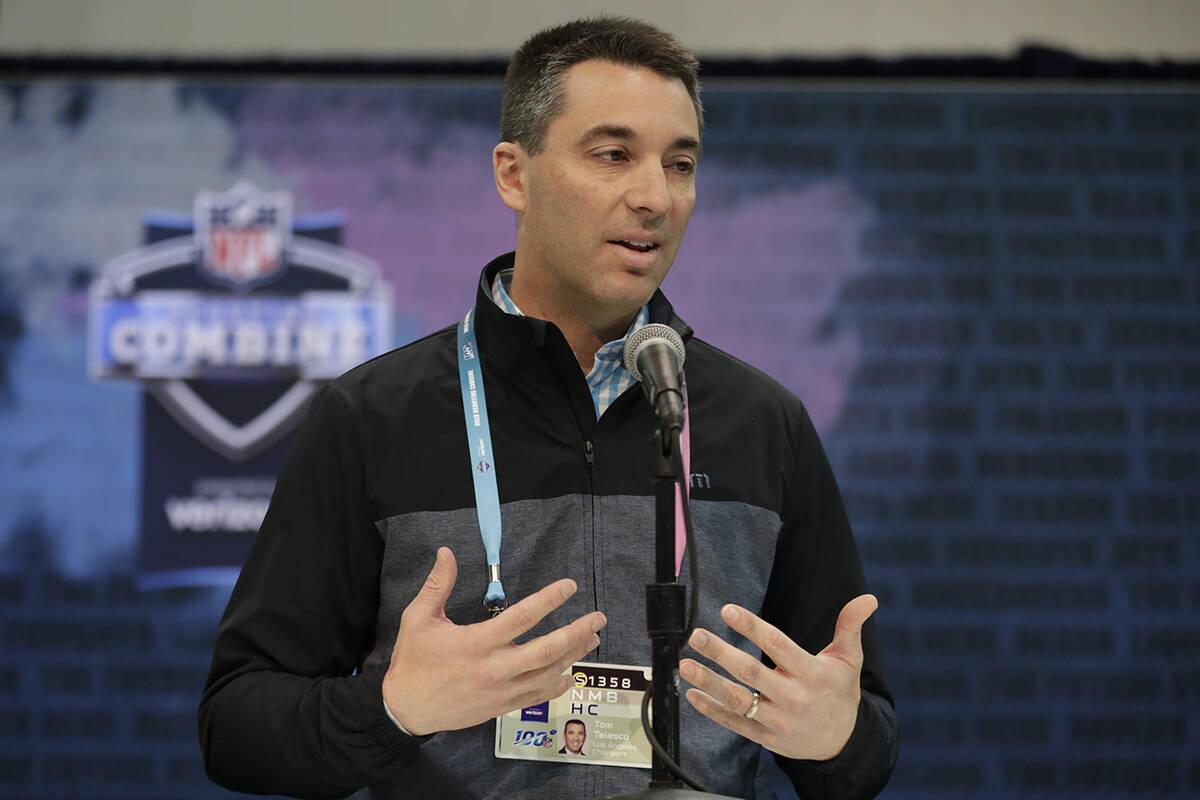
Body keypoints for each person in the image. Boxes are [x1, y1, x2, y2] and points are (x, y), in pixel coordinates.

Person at [198, 16, 897, 800]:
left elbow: (863, 749)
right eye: (613, 155)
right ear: (513, 175)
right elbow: (235, 726)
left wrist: (834, 738)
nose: (655, 197)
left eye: (681, 163)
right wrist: (392, 709)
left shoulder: (765, 423)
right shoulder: (374, 417)